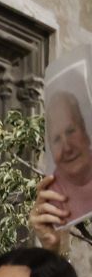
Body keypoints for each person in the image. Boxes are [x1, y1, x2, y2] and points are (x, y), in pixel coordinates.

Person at [40, 87, 92, 228]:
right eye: (57, 139)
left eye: (70, 132)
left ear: (85, 132)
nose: (67, 148)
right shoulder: (54, 204)